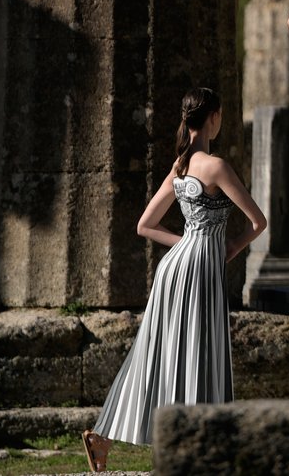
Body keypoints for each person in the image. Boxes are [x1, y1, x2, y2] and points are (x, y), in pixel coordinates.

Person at [81, 88, 266, 473]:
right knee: (199, 350)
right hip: (201, 267)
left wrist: (188, 242)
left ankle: (105, 436)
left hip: (175, 266)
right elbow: (258, 222)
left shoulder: (180, 165)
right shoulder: (216, 166)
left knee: (155, 354)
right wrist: (229, 247)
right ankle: (201, 444)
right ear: (213, 117)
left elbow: (144, 226)